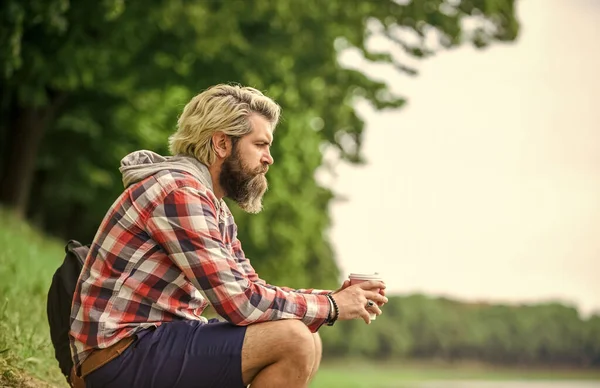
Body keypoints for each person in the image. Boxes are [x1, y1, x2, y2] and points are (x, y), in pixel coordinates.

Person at [69, 84, 388, 388]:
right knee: (295, 341)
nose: (269, 158)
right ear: (222, 144)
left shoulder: (212, 205)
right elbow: (240, 304)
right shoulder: (180, 192)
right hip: (118, 356)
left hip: (149, 346)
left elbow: (251, 289)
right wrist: (331, 306)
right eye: (260, 145)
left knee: (307, 338)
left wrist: (329, 297)